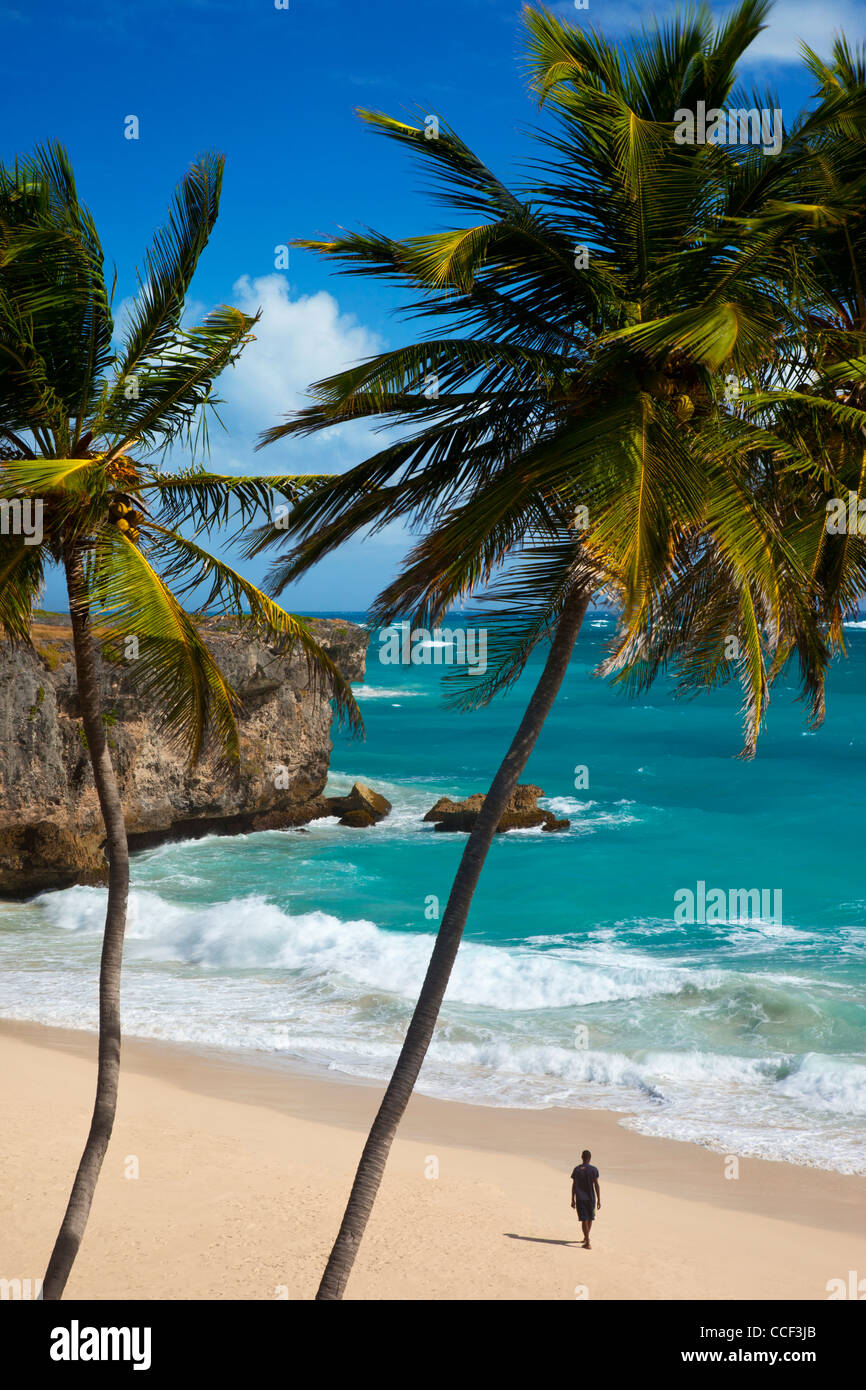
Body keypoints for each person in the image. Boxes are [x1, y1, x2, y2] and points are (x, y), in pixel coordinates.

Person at [570, 1149, 601, 1249]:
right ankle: (587, 1239)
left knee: (584, 1219)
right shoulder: (594, 1169)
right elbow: (596, 1185)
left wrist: (572, 1199)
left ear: (582, 1157)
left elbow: (574, 1186)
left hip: (580, 1198)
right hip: (591, 1198)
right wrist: (599, 1199)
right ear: (590, 1158)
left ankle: (586, 1239)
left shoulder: (577, 1169)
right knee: (590, 1218)